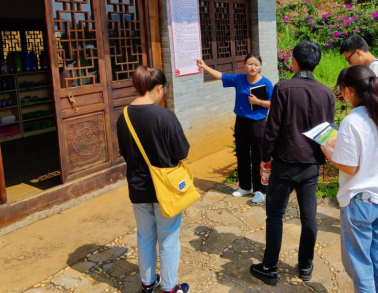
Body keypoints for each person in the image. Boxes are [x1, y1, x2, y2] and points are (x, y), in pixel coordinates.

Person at [250, 41, 335, 285]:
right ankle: (306, 266)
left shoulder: (283, 88)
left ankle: (270, 267)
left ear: (294, 61)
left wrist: (265, 157)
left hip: (285, 163)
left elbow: (273, 127)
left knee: (275, 215)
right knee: (309, 217)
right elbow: (327, 133)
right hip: (311, 165)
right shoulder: (326, 93)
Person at [322, 65, 378, 293]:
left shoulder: (352, 121)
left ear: (348, 90)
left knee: (362, 269)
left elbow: (350, 167)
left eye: (340, 89)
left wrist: (329, 153)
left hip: (360, 201)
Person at [116, 66, 190, 293]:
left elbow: (124, 152)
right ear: (158, 88)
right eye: (164, 90)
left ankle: (148, 283)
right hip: (165, 189)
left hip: (138, 187)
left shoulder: (123, 116)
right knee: (168, 238)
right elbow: (181, 152)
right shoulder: (165, 116)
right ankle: (170, 288)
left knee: (145, 236)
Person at [196, 53, 274, 204]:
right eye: (250, 64)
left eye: (256, 64)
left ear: (260, 66)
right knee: (242, 154)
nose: (253, 67)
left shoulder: (266, 83)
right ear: (244, 65)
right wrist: (204, 66)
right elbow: (220, 76)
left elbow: (273, 103)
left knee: (258, 156)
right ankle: (245, 186)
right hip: (241, 122)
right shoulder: (239, 79)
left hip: (258, 123)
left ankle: (260, 190)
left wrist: (258, 102)